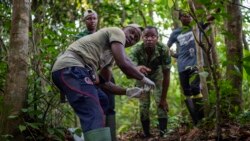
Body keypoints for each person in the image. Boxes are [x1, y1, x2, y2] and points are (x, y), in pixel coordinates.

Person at [51, 24, 155, 141]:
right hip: (71, 68)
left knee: (103, 100)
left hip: (75, 72)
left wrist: (128, 91)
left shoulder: (110, 58)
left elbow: (103, 83)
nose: (132, 36)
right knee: (94, 112)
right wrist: (143, 78)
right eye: (131, 31)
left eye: (136, 38)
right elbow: (124, 63)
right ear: (123, 28)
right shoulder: (116, 31)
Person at [75, 9, 117, 141]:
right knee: (96, 104)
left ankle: (112, 137)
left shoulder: (103, 35)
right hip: (89, 73)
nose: (92, 21)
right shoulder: (80, 36)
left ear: (97, 20)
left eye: (94, 18)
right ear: (84, 21)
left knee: (110, 104)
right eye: (89, 19)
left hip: (105, 72)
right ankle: (98, 136)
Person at [167, 11, 214, 125]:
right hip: (182, 65)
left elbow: (210, 17)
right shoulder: (175, 33)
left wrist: (217, 8)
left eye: (189, 16)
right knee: (186, 91)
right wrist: (174, 55)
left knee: (195, 87)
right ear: (180, 19)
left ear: (192, 18)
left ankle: (202, 119)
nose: (187, 18)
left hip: (196, 63)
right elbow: (167, 47)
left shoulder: (197, 27)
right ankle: (195, 121)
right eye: (184, 16)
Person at [131, 26, 171, 137]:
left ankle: (163, 133)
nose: (149, 39)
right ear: (142, 38)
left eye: (153, 36)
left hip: (157, 74)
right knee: (144, 105)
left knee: (160, 102)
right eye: (146, 36)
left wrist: (164, 98)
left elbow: (166, 75)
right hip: (141, 76)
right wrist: (138, 69)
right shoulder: (136, 49)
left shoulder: (163, 49)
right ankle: (147, 134)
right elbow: (129, 68)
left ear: (157, 38)